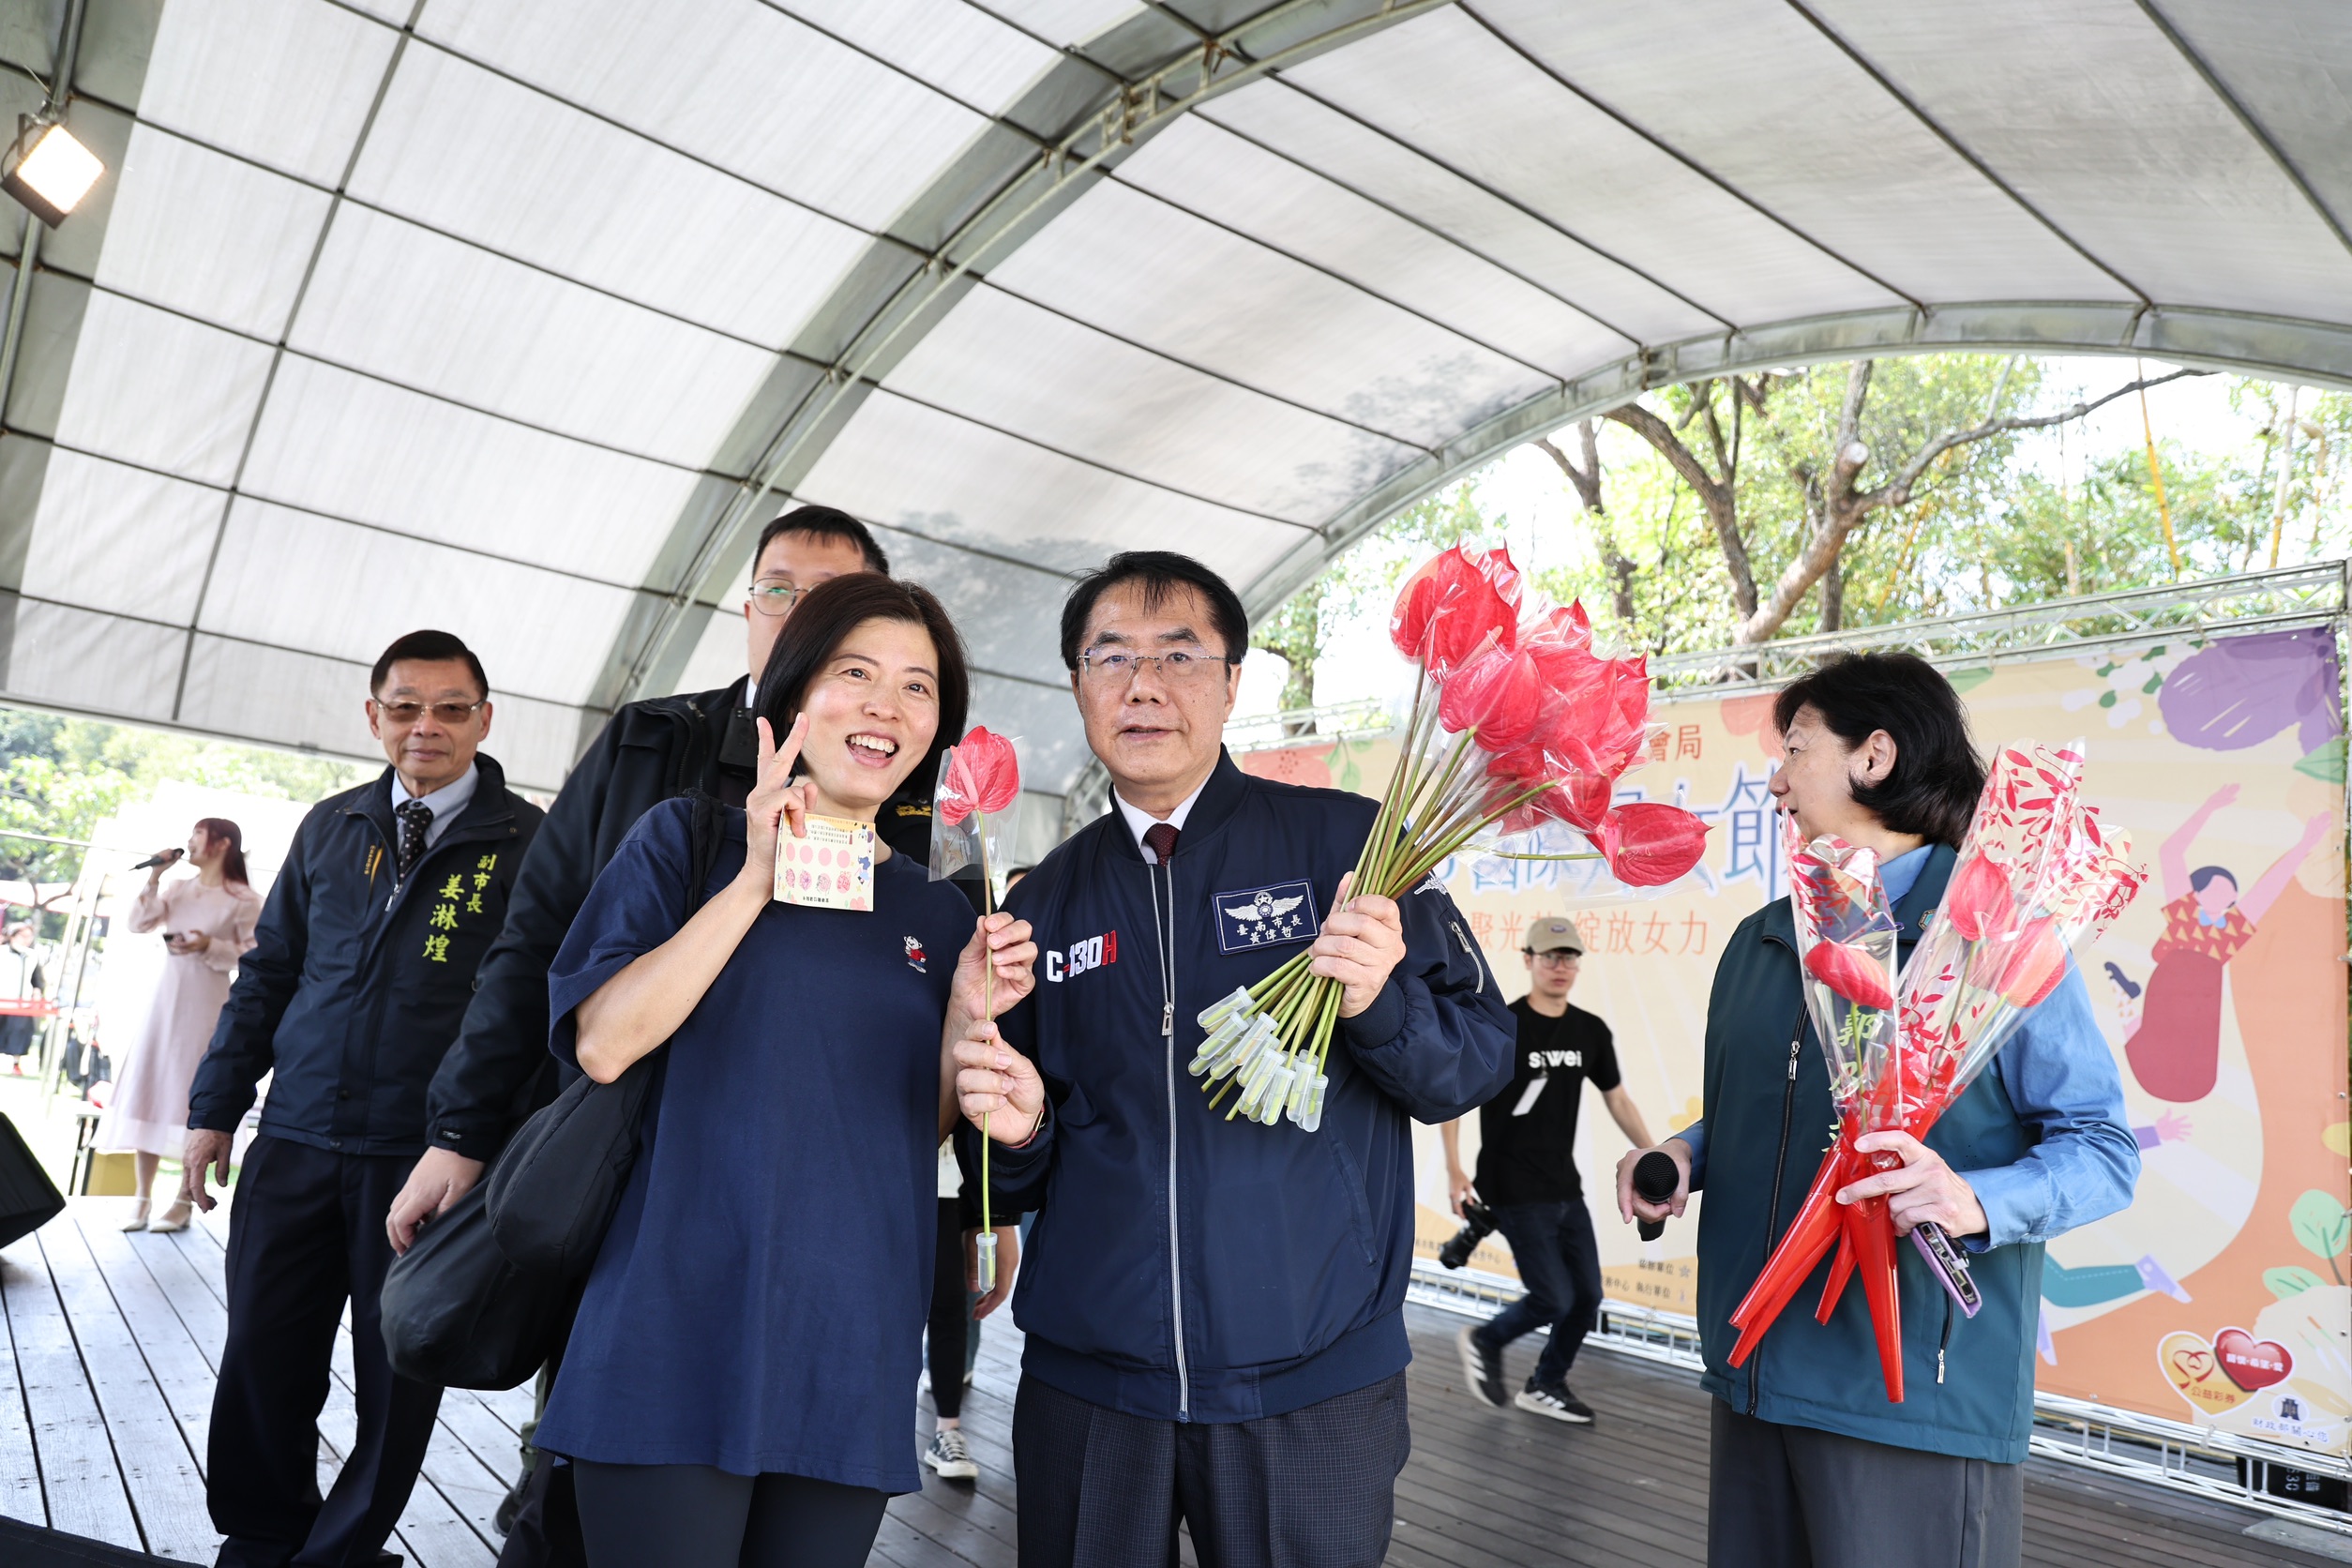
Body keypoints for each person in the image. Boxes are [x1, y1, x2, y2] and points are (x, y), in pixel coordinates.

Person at [951, 550, 1515, 1568]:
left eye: (1179, 654)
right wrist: (1018, 1129)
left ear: (1232, 681)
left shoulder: (1353, 853)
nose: (1144, 685)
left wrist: (1377, 1003)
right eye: (1110, 656)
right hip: (1092, 1391)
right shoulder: (1039, 905)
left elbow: (1473, 1066)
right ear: (1077, 685)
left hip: (1311, 1387)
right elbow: (1009, 1167)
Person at [384, 505, 891, 1567]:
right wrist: (463, 1132)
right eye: (779, 588)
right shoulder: (652, 741)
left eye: (834, 601)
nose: (798, 614)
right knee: (575, 1464)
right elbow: (534, 938)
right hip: (618, 1174)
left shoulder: (896, 771)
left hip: (788, 1206)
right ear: (746, 604)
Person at [532, 574, 1035, 1568]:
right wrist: (757, 878)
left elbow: (914, 1125)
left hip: (846, 1341)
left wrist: (971, 1013)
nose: (887, 705)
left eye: (918, 687)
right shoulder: (684, 842)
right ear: (795, 690)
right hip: (671, 1325)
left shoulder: (940, 910)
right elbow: (604, 1041)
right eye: (857, 672)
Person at [1615, 652, 2139, 1568]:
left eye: (1797, 748)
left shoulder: (1992, 936)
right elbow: (1763, 1110)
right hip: (1752, 1371)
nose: (1774, 778)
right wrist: (1684, 1155)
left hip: (1910, 1403)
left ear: (1876, 755)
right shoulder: (1766, 937)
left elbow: (2102, 1151)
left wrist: (1972, 1199)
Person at [182, 629, 544, 1568]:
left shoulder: (528, 844)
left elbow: (534, 1009)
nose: (427, 725)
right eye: (406, 706)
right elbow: (268, 975)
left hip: (422, 1158)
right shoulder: (332, 824)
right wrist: (216, 1104)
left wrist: (481, 1143)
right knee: (264, 1348)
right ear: (373, 714)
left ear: (485, 718)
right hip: (296, 1135)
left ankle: (339, 1552)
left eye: (451, 707)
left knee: (399, 1373)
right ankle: (264, 1533)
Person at [1441, 915, 1653, 1425]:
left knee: (1587, 1298)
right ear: (1529, 960)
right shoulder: (1503, 1026)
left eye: (1569, 957)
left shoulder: (1589, 1030)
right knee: (1552, 1296)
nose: (1561, 966)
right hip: (1510, 1185)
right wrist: (1453, 1169)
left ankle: (1545, 1384)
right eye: (1550, 956)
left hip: (1564, 1184)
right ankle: (1486, 1340)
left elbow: (1617, 1098)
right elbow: (1456, 1099)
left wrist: (1655, 1154)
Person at [98, 820, 263, 1231]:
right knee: (149, 1087)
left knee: (197, 1092)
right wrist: (155, 875)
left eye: (197, 835)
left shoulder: (245, 900)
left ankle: (184, 1198)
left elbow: (256, 955)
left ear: (222, 843)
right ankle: (140, 1196)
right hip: (164, 998)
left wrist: (210, 945)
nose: (188, 843)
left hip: (207, 1001)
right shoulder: (178, 888)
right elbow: (138, 922)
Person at [2121, 781, 2331, 1103]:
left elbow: (2268, 888)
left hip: (2204, 999)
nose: (2226, 896)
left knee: (2194, 1067)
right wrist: (2208, 808)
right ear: (2198, 891)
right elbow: (2170, 852)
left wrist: (2305, 845)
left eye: (2230, 893)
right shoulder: (2184, 914)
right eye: (2217, 889)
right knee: (2159, 1051)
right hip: (2170, 991)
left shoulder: (2230, 930)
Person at [920, 1139, 1018, 1480]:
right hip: (866, 1174)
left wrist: (998, 1217)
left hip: (943, 1178)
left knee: (948, 1306)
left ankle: (947, 1429)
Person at [0, 920, 45, 1075]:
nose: (26, 939)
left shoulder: (32, 955)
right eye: (23, 935)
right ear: (13, 935)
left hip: (22, 1002)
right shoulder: (2, 952)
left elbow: (36, 978)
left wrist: (37, 992)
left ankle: (15, 1064)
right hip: (2, 999)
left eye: (29, 936)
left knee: (19, 1033)